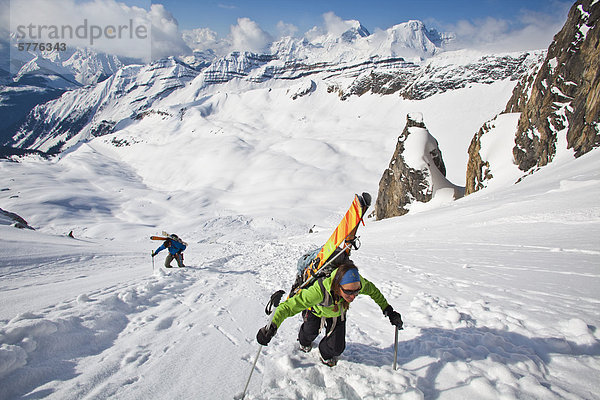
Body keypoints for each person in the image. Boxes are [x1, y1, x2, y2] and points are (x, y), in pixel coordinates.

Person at [256, 262, 403, 367]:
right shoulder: (319, 291)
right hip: (315, 310)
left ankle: (325, 352)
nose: (353, 296)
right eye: (349, 292)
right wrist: (271, 327)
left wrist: (388, 310)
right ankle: (304, 342)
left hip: (337, 313)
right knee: (309, 333)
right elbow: (288, 307)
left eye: (356, 292)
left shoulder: (357, 282)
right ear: (337, 286)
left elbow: (373, 291)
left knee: (337, 348)